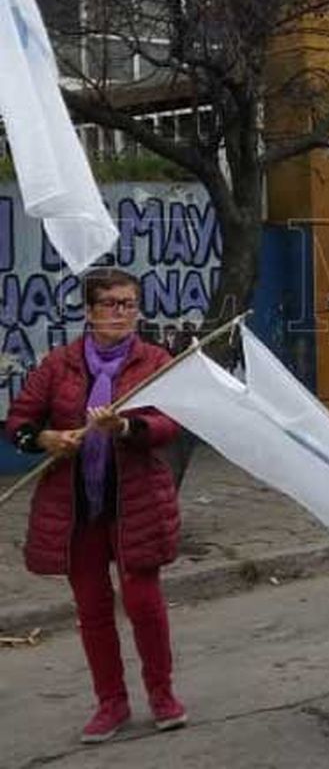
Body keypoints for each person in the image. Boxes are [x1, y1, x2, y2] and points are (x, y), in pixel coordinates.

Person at [6, 269, 187, 742]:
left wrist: (125, 430)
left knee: (144, 604)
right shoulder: (59, 365)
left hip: (136, 504)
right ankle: (112, 704)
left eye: (128, 304)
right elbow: (19, 421)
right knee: (92, 608)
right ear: (89, 312)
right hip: (77, 509)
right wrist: (45, 438)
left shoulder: (156, 361)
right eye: (109, 304)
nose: (120, 313)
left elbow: (170, 423)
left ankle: (162, 695)